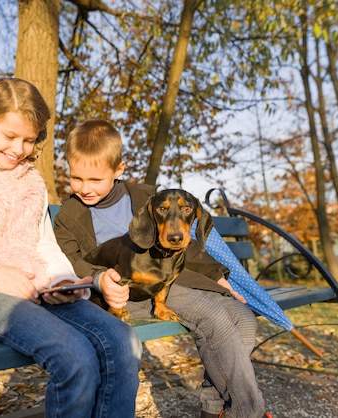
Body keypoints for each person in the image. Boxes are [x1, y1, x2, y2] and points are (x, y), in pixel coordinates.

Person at [0, 80, 142, 418]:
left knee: (124, 342)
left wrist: (63, 281)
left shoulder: (31, 182)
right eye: (10, 136)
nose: (19, 149)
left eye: (29, 140)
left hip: (35, 290)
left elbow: (44, 245)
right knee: (74, 355)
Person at [53, 119, 271, 418]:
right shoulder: (69, 215)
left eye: (95, 180)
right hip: (129, 291)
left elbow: (185, 243)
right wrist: (99, 277)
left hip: (171, 277)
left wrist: (217, 276)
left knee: (244, 318)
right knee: (216, 319)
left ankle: (215, 409)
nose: (84, 188)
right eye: (76, 178)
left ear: (119, 169)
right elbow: (70, 259)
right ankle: (249, 413)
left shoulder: (147, 197)